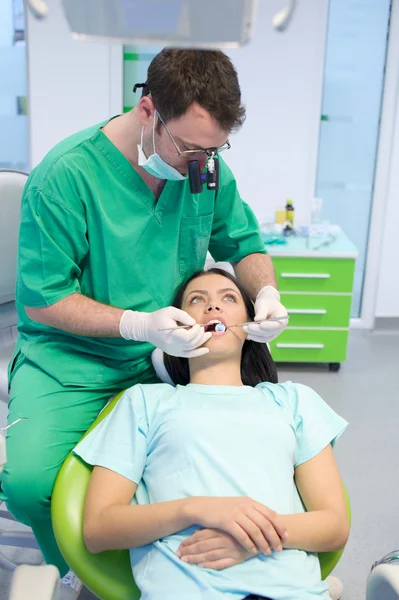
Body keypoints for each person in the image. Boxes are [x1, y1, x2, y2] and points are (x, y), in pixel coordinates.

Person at [3, 49, 289, 593]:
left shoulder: (203, 164)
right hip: (71, 361)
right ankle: (75, 573)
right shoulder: (65, 178)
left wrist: (266, 293)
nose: (198, 164)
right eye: (188, 147)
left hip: (168, 357)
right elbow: (45, 299)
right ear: (148, 109)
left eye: (214, 149)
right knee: (31, 486)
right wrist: (138, 325)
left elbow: (243, 242)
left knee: (206, 469)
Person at [74, 268, 350, 600]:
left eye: (229, 298)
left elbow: (334, 526)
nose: (213, 308)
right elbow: (99, 529)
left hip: (291, 591)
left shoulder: (294, 402)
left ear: (252, 325)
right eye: (196, 300)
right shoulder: (144, 402)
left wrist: (249, 538)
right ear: (173, 327)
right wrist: (195, 509)